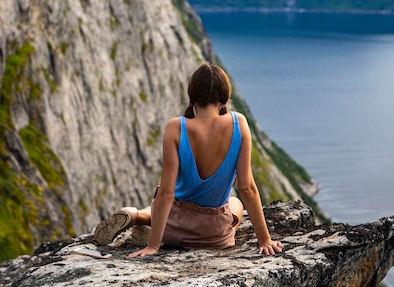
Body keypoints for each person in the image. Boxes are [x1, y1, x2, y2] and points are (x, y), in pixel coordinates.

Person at [94, 62, 284, 257]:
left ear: (192, 96)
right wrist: (265, 240)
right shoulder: (239, 123)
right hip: (213, 237)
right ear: (225, 98)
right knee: (235, 203)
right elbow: (247, 188)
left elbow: (166, 193)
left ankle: (137, 215)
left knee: (171, 203)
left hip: (172, 230)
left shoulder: (176, 127)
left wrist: (153, 246)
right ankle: (139, 216)